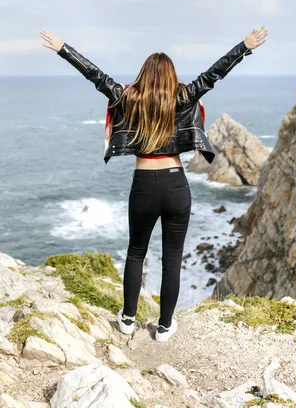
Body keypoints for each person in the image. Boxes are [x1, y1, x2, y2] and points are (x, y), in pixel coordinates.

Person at [40, 26, 268, 341]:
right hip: (176, 184)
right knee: (172, 258)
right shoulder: (185, 94)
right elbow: (215, 73)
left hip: (144, 183)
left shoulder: (127, 96)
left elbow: (95, 75)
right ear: (171, 75)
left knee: (136, 252)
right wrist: (244, 46)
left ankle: (128, 319)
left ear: (144, 74)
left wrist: (63, 48)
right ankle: (163, 326)